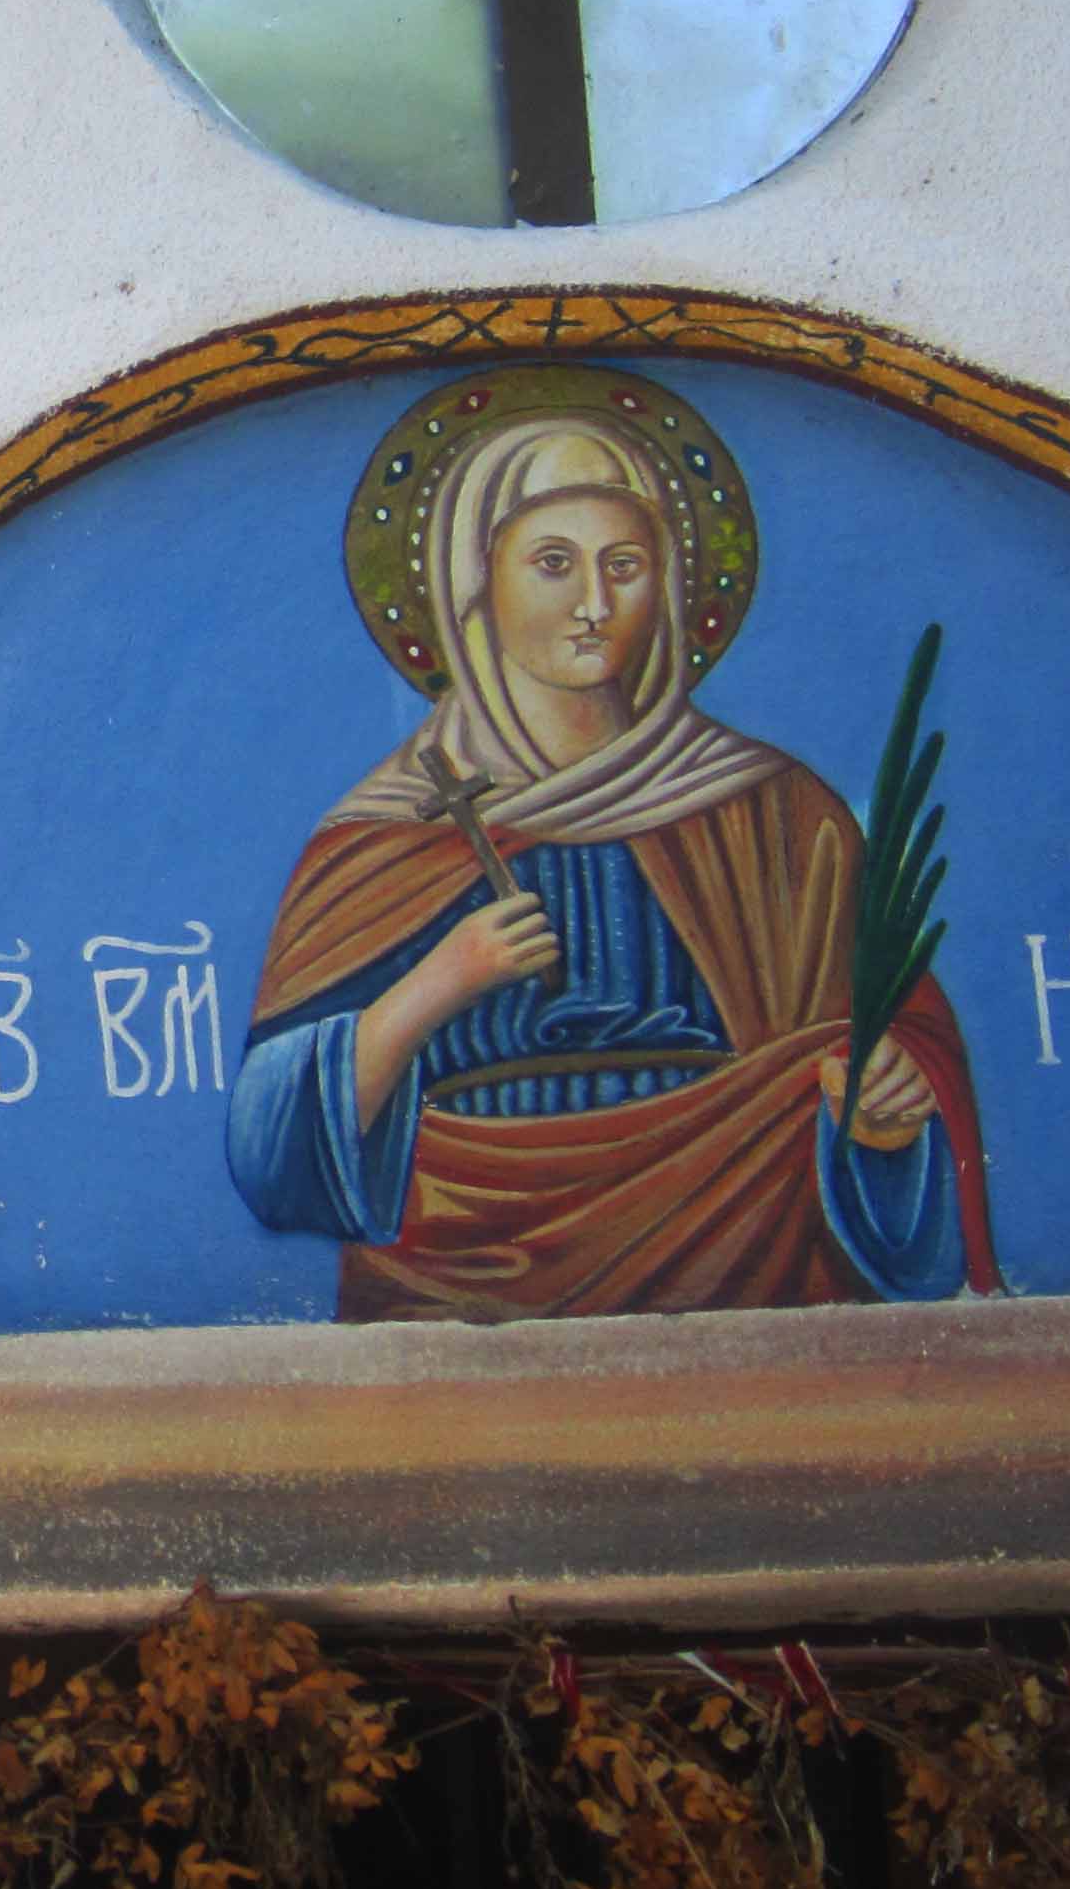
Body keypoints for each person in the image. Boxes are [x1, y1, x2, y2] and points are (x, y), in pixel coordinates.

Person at [230, 397, 994, 1319]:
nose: (595, 605)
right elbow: (271, 1153)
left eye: (625, 566)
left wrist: (884, 1110)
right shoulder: (381, 841)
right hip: (453, 1293)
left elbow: (891, 1044)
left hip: (745, 1256)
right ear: (473, 584)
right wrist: (439, 982)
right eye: (554, 564)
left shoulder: (774, 813)